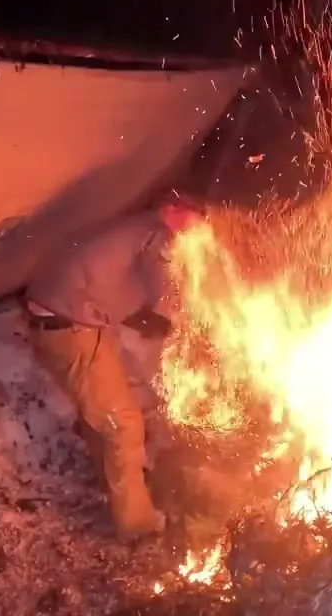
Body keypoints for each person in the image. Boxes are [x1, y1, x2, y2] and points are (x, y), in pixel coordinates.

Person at [22, 194, 201, 541]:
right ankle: (139, 526)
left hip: (69, 318)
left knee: (104, 412)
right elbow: (162, 289)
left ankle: (119, 481)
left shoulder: (141, 223)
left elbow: (123, 284)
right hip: (68, 328)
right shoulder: (159, 238)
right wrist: (177, 316)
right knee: (122, 425)